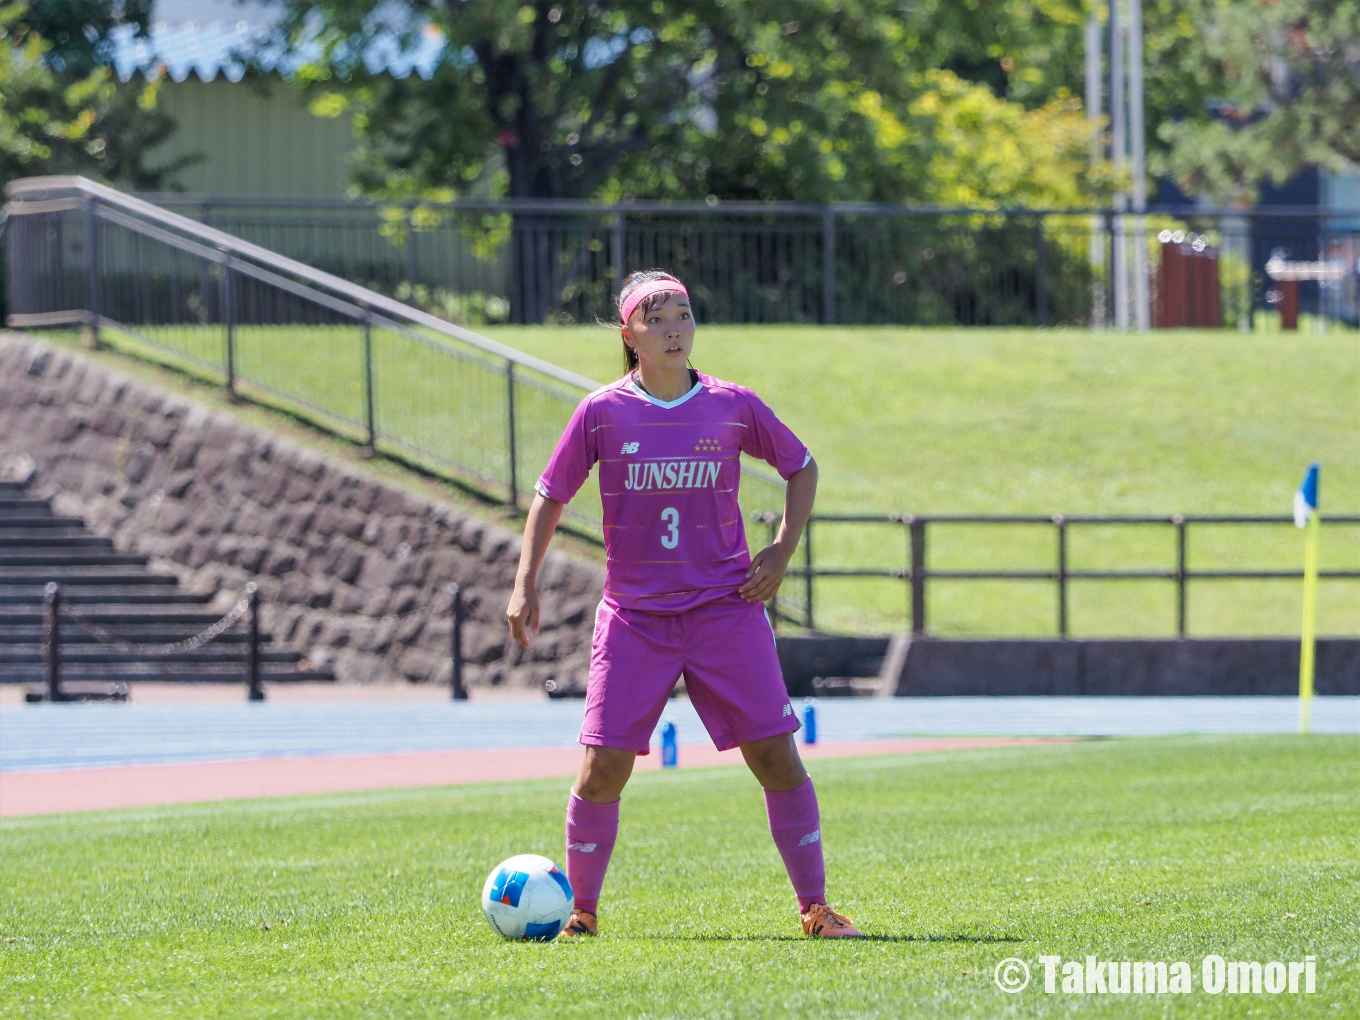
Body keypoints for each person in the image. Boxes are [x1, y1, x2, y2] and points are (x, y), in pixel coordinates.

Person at [505, 269, 861, 939]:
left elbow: (802, 466)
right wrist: (524, 584)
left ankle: (815, 907)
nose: (674, 328)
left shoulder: (732, 405)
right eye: (656, 317)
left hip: (726, 613)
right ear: (629, 334)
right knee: (602, 767)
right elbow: (550, 496)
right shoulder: (602, 411)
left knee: (777, 759)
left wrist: (780, 552)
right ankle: (582, 912)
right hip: (635, 620)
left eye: (683, 315)